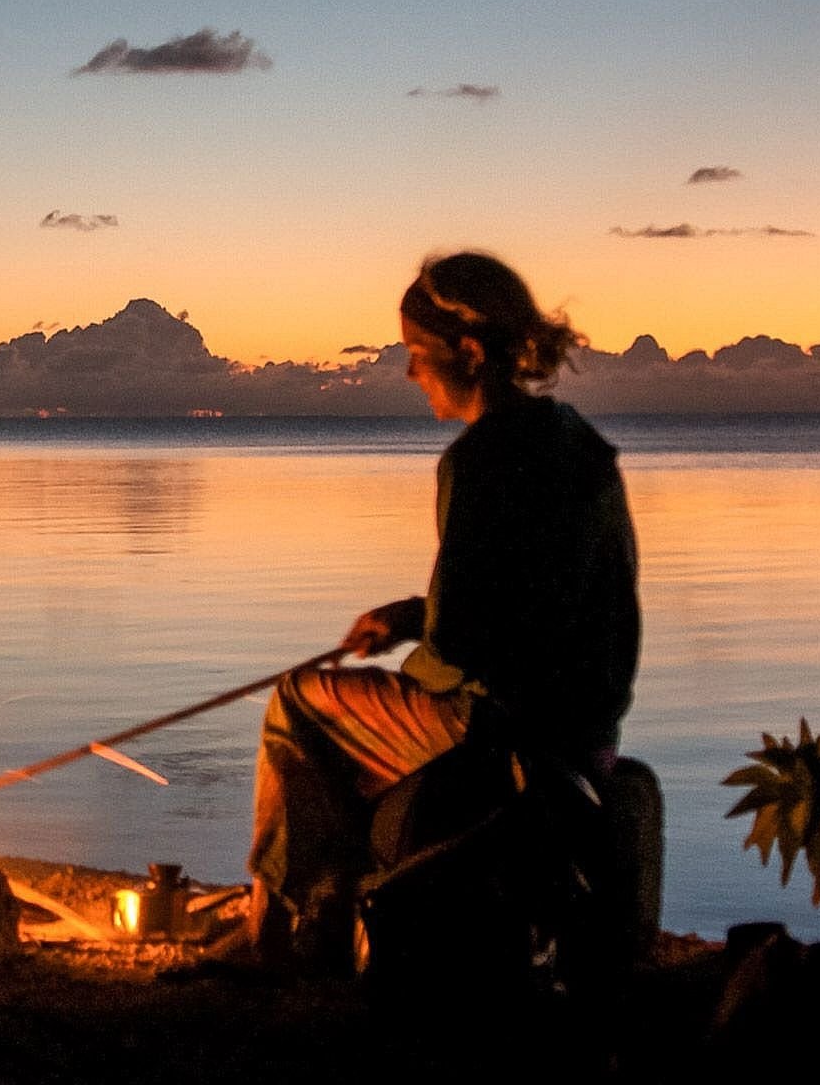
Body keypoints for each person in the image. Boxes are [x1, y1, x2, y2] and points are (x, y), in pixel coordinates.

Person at [234, 250, 640, 975]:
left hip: (502, 732)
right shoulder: (577, 442)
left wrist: (430, 629)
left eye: (416, 353)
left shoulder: (480, 460)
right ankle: (352, 905)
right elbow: (547, 599)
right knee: (353, 714)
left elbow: (465, 641)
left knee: (297, 703)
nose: (409, 372)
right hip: (589, 725)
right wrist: (412, 616)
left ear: (470, 353)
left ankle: (281, 931)